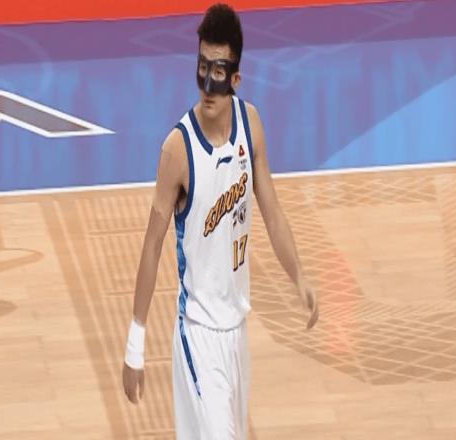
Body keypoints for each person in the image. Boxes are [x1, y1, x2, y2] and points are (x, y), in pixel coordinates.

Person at [122, 3, 319, 439]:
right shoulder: (177, 150)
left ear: (235, 78)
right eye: (202, 67)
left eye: (218, 71)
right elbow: (152, 245)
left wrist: (299, 276)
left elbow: (272, 211)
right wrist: (135, 345)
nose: (207, 84)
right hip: (198, 334)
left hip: (237, 331)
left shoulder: (251, 125)